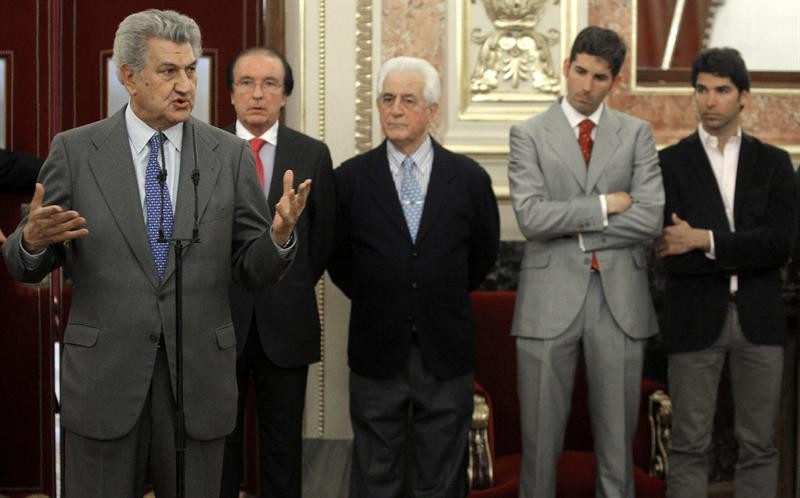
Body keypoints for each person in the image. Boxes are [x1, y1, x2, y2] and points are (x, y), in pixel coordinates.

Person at [1, 10, 310, 498]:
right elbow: (23, 263)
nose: (184, 85)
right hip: (105, 378)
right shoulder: (76, 151)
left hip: (198, 380)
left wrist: (278, 237)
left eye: (190, 70)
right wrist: (32, 242)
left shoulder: (227, 155)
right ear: (128, 77)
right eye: (168, 71)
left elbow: (251, 270)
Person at [328, 56, 500, 497]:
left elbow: (482, 256)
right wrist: (384, 293)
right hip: (376, 348)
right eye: (387, 99)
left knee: (440, 480)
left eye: (408, 100)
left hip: (445, 350)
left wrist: (431, 291)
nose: (395, 110)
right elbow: (338, 258)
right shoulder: (350, 179)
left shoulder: (468, 179)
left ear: (432, 109)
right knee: (375, 476)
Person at [508, 26, 663, 498]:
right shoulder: (528, 134)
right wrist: (604, 206)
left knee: (617, 454)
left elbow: (650, 218)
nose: (586, 86)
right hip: (547, 303)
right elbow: (532, 218)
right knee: (539, 452)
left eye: (599, 77)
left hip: (620, 303)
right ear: (565, 67)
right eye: (579, 71)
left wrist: (575, 230)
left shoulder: (636, 133)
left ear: (614, 81)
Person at [656, 47, 796, 498]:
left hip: (759, 316)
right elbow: (670, 250)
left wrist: (704, 239)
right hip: (693, 316)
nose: (709, 101)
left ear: (744, 97)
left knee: (759, 445)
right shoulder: (669, 163)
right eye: (701, 90)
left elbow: (778, 245)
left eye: (721, 90)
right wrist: (739, 246)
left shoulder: (774, 163)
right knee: (688, 444)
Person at [219, 47, 335, 498]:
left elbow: (323, 242)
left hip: (286, 323)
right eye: (246, 83)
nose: (257, 94)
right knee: (218, 447)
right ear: (231, 94)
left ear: (285, 95)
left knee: (283, 452)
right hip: (218, 322)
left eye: (270, 84)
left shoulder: (312, 154)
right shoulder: (206, 150)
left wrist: (288, 281)